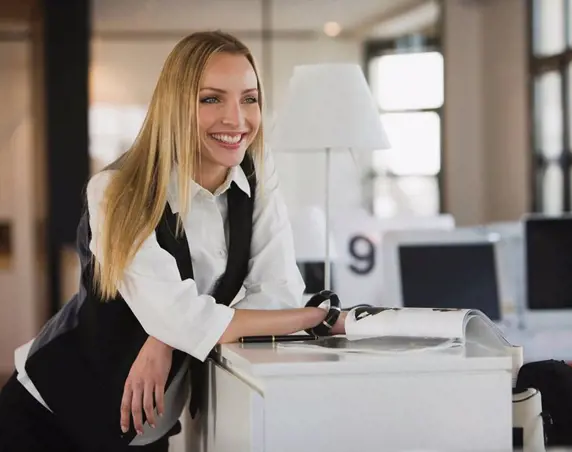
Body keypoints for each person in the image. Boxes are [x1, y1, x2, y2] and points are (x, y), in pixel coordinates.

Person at [0, 30, 345, 452]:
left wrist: (165, 333)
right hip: (49, 415)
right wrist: (314, 317)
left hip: (148, 427)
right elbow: (183, 317)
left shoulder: (257, 171)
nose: (236, 120)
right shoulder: (115, 191)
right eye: (211, 98)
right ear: (175, 104)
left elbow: (277, 290)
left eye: (249, 98)